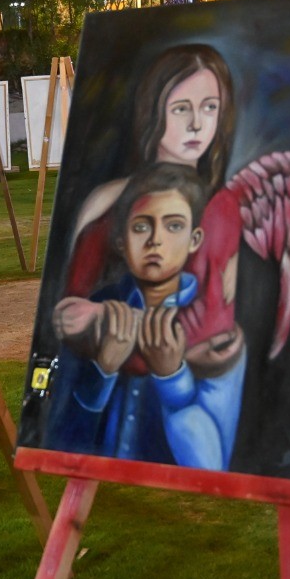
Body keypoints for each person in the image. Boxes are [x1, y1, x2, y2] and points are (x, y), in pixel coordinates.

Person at [54, 44, 243, 371]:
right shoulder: (109, 201)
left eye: (210, 107)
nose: (197, 124)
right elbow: (68, 315)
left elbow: (215, 325)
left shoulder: (223, 208)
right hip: (110, 377)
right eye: (181, 109)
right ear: (153, 110)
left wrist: (108, 317)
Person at [46, 164, 245, 471]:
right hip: (108, 485)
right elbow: (59, 443)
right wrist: (103, 370)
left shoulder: (215, 332)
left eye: (174, 226)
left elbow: (210, 466)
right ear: (121, 242)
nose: (155, 240)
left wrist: (172, 378)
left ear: (195, 240)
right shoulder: (94, 312)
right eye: (141, 227)